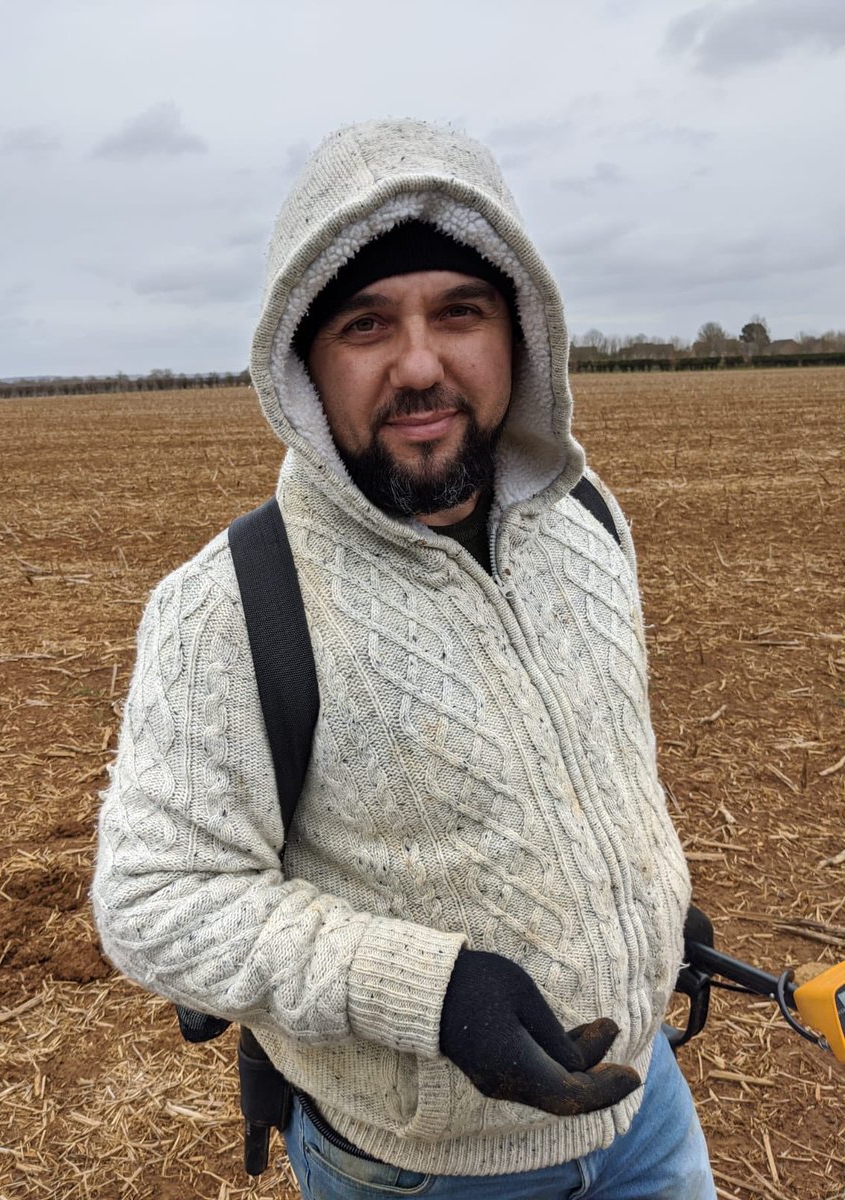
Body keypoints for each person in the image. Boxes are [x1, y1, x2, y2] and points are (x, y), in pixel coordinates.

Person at [92, 118, 715, 1198]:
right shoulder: (233, 603)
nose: (419, 364)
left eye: (459, 312)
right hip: (424, 1171)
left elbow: (602, 766)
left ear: (521, 333)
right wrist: (426, 991)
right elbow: (154, 899)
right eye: (366, 324)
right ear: (304, 363)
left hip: (646, 1109)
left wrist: (645, 914)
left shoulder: (588, 519)